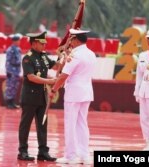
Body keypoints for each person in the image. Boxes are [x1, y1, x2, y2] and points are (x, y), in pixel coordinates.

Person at [50, 28, 96, 164]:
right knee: (82, 123)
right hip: (86, 92)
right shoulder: (91, 53)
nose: (69, 42)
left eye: (71, 39)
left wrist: (53, 90)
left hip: (74, 93)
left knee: (70, 124)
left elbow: (64, 75)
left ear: (75, 40)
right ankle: (84, 155)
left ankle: (71, 156)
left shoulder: (75, 55)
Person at [17, 31, 57, 161]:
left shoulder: (44, 56)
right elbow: (31, 77)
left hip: (42, 97)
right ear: (34, 44)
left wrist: (64, 57)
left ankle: (43, 152)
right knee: (25, 125)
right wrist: (49, 81)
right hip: (30, 96)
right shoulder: (28, 58)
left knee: (42, 125)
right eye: (41, 43)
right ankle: (22, 151)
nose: (44, 46)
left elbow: (56, 66)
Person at [5, 33, 23, 109]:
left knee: (15, 86)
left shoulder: (18, 49)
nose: (19, 42)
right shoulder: (10, 50)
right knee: (10, 86)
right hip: (11, 70)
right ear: (14, 41)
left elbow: (19, 60)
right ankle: (9, 102)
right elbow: (8, 61)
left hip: (17, 70)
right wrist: (8, 71)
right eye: (18, 41)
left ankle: (13, 102)